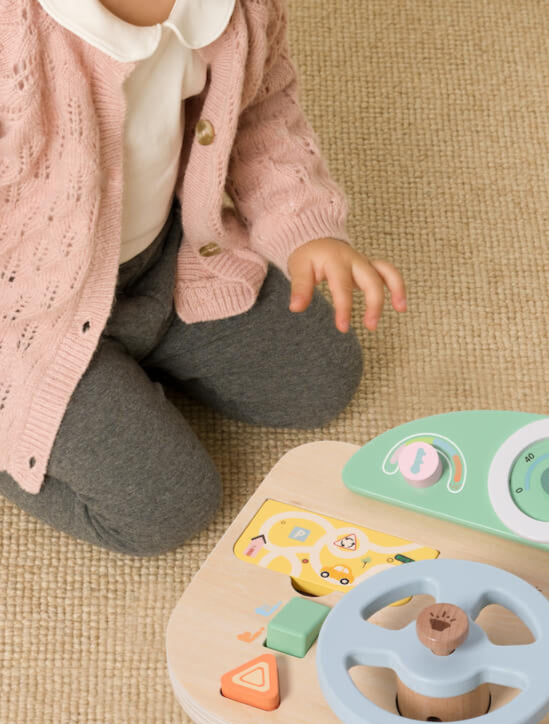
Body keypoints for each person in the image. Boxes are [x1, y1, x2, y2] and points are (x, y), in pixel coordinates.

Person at [0, 0, 407, 555]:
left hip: (162, 257)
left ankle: (129, 361)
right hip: (24, 310)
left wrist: (307, 229)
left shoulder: (238, 9)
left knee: (320, 376)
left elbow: (262, 112)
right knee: (167, 507)